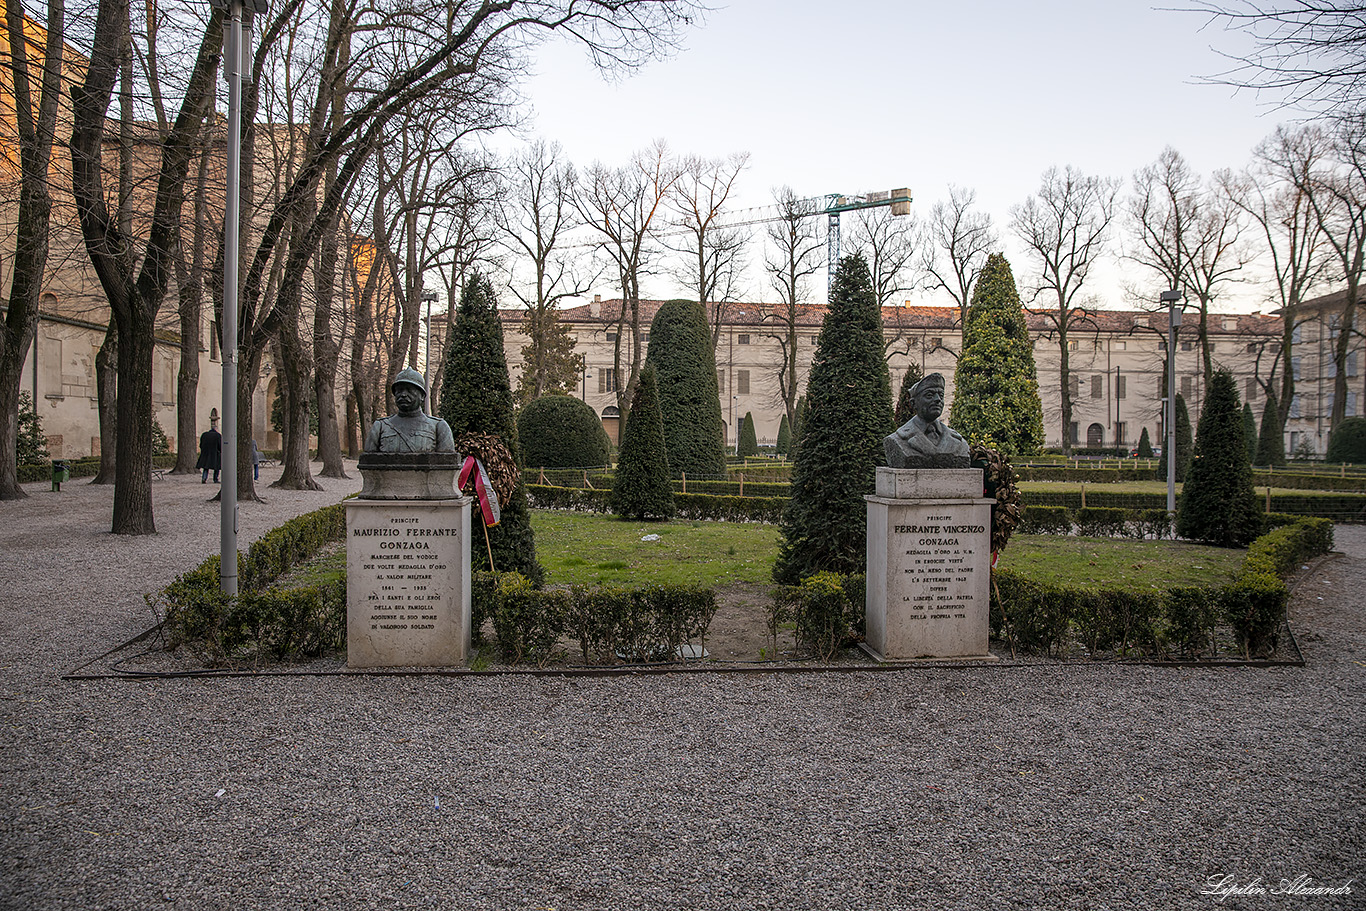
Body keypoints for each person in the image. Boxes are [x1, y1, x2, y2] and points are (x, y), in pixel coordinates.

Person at [883, 372, 971, 468]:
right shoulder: (898, 439)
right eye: (929, 395)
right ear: (913, 403)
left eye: (941, 395)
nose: (938, 399)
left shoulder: (959, 441)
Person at [363, 368, 455, 454]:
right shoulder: (380, 426)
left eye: (410, 390)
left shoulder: (439, 427)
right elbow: (368, 463)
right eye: (399, 390)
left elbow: (447, 465)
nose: (403, 394)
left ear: (422, 396)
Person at [196, 417, 223, 483]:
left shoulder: (204, 435)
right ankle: (215, 479)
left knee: (206, 467)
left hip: (206, 454)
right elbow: (220, 446)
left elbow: (201, 445)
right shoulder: (218, 436)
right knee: (217, 468)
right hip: (215, 454)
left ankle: (204, 478)